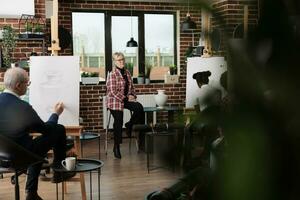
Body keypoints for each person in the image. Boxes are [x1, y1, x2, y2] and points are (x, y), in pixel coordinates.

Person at [0, 68, 75, 200]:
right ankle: (59, 172)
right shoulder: (22, 107)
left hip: (2, 156)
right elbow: (47, 129)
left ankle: (32, 193)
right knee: (58, 129)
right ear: (18, 86)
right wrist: (55, 113)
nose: (28, 86)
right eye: (27, 83)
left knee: (34, 144)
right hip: (19, 156)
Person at [106, 52, 144, 159]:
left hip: (125, 99)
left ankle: (130, 125)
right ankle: (116, 146)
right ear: (114, 62)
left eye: (123, 59)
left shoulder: (127, 72)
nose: (121, 61)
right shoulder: (112, 74)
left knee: (139, 108)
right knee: (118, 119)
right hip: (115, 101)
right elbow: (113, 92)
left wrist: (132, 95)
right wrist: (126, 98)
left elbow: (132, 87)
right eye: (119, 60)